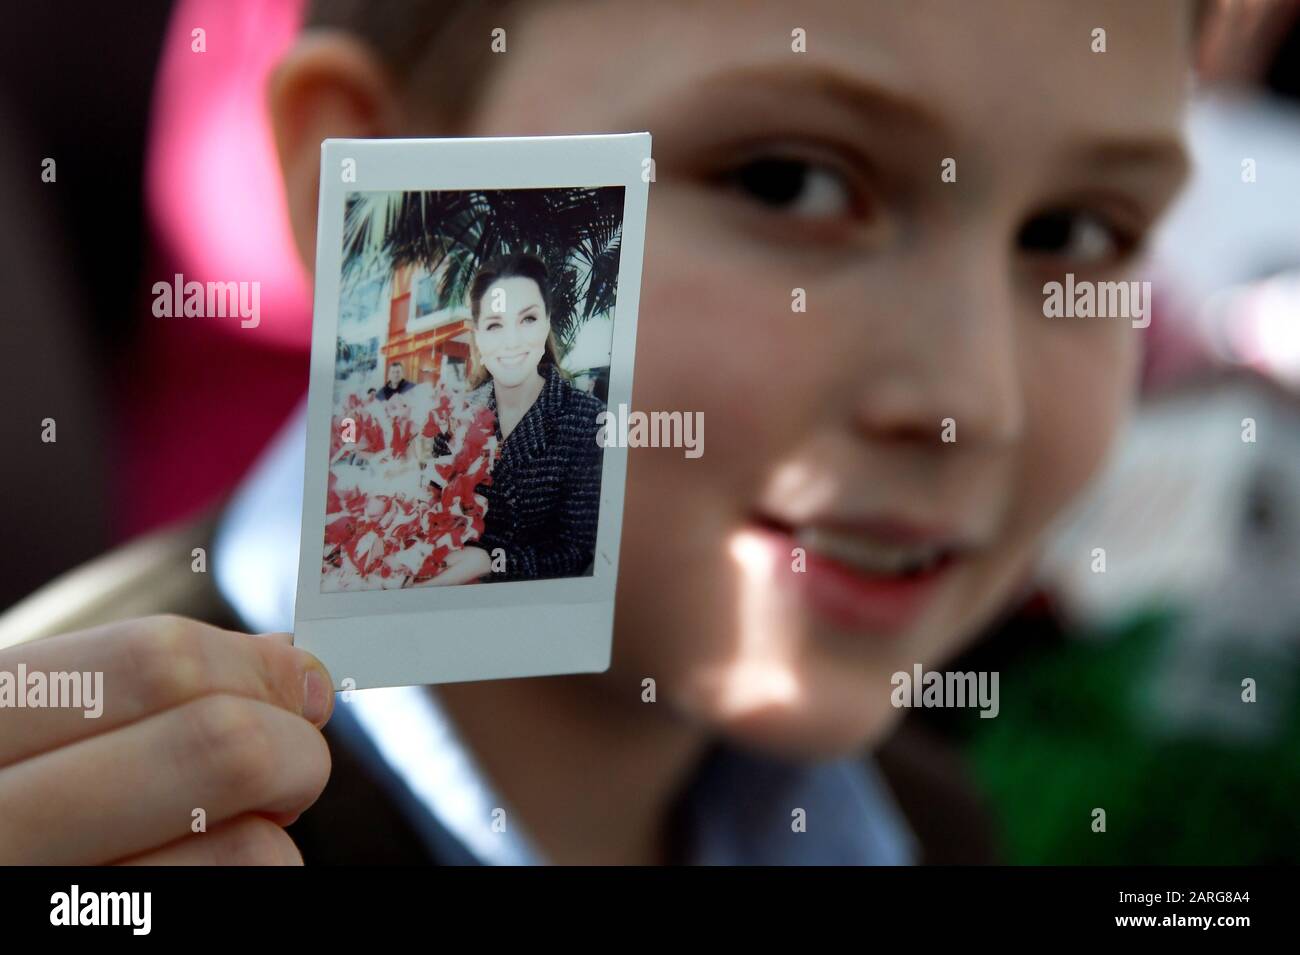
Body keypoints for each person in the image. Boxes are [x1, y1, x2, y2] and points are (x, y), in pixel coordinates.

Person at [0, 0, 1204, 865]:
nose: (968, 401)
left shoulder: (922, 821)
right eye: (788, 182)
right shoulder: (88, 833)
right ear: (364, 175)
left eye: (1076, 233)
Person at [430, 253, 605, 585]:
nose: (511, 341)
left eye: (527, 319)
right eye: (495, 325)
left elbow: (576, 550)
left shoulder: (587, 420)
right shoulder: (454, 419)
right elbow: (435, 512)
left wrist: (489, 561)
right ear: (477, 335)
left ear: (547, 322)